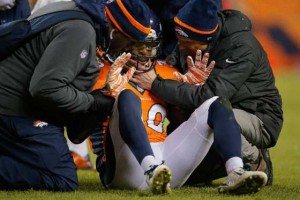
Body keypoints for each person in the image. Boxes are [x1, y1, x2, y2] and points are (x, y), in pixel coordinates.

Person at [91, 12, 268, 195]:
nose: (145, 54)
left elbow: (181, 121)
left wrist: (192, 89)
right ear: (125, 44)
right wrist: (104, 97)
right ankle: (150, 168)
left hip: (165, 162)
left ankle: (236, 171)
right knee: (127, 96)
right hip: (123, 164)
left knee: (215, 102)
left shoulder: (166, 71)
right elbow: (77, 133)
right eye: (139, 47)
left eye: (149, 48)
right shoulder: (104, 71)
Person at [0, 0, 152, 191]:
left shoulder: (72, 8)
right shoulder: (81, 29)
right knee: (61, 178)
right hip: (15, 110)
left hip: (11, 100)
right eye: (129, 42)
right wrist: (92, 102)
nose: (127, 49)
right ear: (117, 31)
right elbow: (45, 88)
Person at [131, 0, 283, 187]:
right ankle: (218, 162)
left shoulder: (242, 47)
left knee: (214, 112)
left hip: (258, 116)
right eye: (179, 40)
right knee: (186, 178)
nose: (180, 47)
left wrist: (155, 84)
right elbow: (181, 88)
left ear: (207, 40)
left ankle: (255, 159)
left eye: (187, 43)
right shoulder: (192, 42)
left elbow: (210, 96)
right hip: (219, 109)